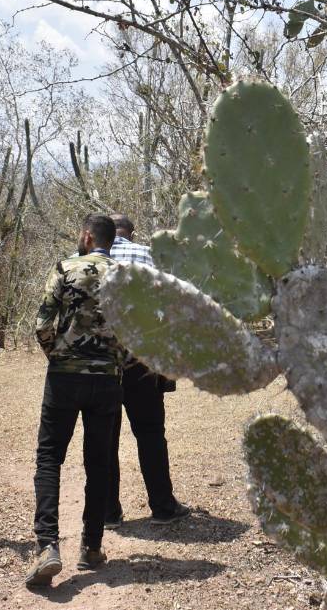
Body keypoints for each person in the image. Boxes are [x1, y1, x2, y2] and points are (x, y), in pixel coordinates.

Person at [26, 214, 124, 588]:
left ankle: (48, 546)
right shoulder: (125, 275)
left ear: (86, 236)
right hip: (107, 380)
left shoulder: (66, 267)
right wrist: (115, 360)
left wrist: (59, 355)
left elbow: (42, 323)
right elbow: (136, 330)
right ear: (109, 241)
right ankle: (93, 546)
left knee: (50, 457)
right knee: (99, 462)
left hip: (65, 376)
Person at [105, 214, 191, 528]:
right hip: (141, 362)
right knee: (151, 434)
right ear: (130, 232)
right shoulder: (147, 254)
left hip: (101, 365)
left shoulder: (85, 259)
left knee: (105, 438)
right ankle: (163, 507)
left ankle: (108, 512)